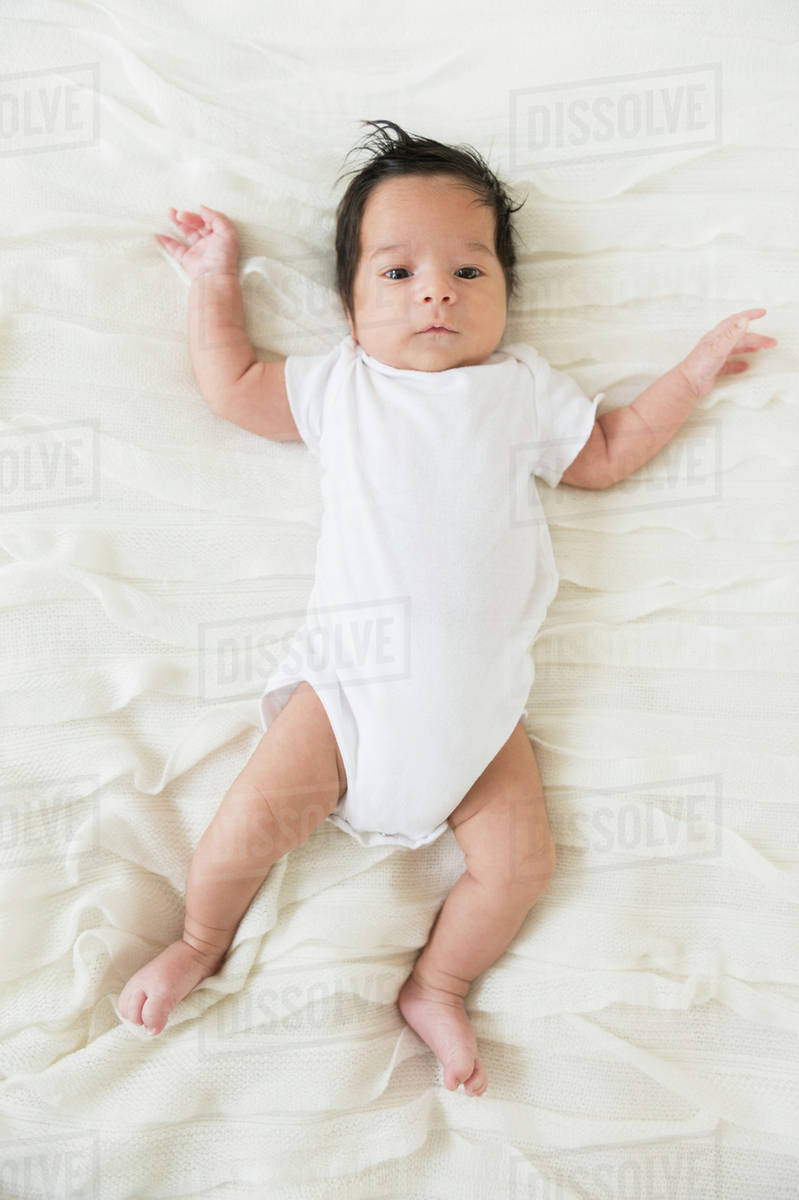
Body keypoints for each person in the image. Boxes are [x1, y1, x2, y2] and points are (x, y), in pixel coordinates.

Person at [117, 119, 776, 1097]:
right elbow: (234, 386)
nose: (436, 289)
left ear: (507, 292)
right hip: (345, 692)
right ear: (348, 303)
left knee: (520, 864)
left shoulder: (522, 392)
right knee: (247, 825)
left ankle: (438, 983)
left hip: (481, 717)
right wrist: (215, 280)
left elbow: (603, 454)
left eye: (469, 272)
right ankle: (200, 940)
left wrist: (688, 375)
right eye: (397, 273)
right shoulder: (345, 385)